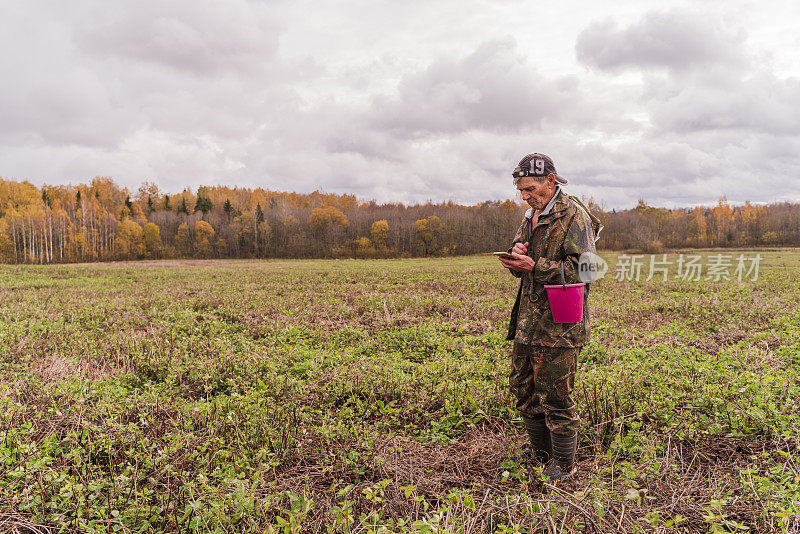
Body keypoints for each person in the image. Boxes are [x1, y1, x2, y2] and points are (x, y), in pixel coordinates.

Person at [498, 153, 597, 481]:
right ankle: (540, 451)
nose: (524, 196)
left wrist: (536, 267)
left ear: (550, 181)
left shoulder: (573, 216)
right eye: (520, 190)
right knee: (523, 387)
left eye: (529, 188)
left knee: (555, 394)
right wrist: (517, 255)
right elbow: (522, 256)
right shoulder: (530, 215)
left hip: (560, 323)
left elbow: (587, 270)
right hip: (529, 320)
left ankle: (564, 464)